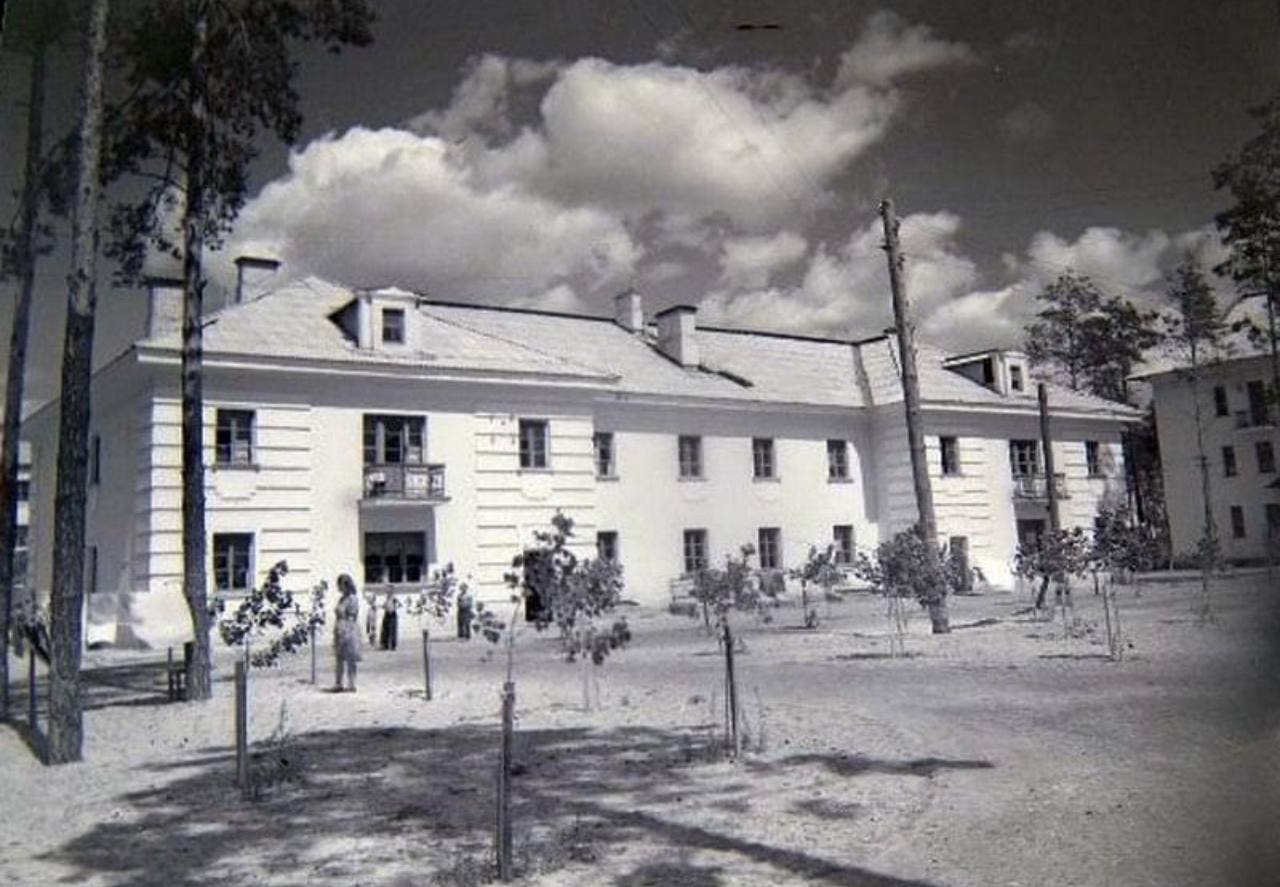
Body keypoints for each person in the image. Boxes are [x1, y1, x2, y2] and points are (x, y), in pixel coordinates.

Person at [333, 574, 362, 691]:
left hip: (349, 629)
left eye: (340, 585)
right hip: (340, 628)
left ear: (345, 585)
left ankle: (352, 683)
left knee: (351, 657)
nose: (338, 588)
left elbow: (353, 615)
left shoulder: (352, 598)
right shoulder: (342, 598)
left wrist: (346, 628)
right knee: (339, 658)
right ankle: (339, 683)